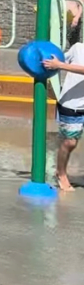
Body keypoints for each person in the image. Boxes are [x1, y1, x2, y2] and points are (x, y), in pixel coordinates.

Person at [44, 24, 84, 191]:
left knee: (69, 141)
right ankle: (61, 174)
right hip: (72, 105)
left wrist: (59, 65)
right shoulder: (78, 48)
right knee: (70, 142)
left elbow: (60, 64)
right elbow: (57, 60)